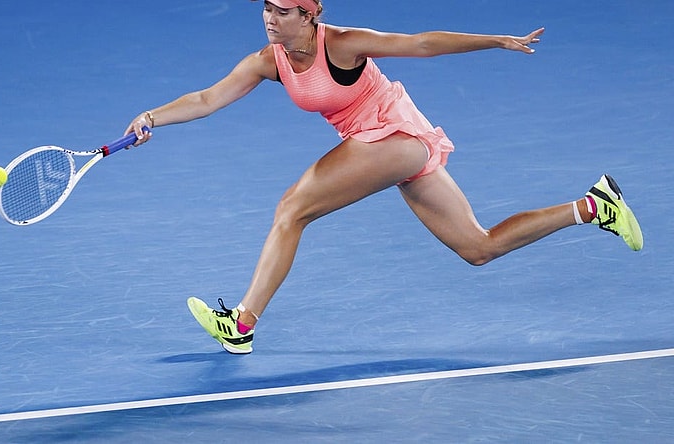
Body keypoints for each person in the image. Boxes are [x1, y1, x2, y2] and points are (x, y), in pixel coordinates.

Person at [124, 0, 643, 354]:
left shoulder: (344, 44)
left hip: (393, 137)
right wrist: (152, 116)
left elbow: (419, 44)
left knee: (292, 208)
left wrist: (495, 42)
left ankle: (241, 325)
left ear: (309, 15)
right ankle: (594, 206)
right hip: (392, 148)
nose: (270, 18)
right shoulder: (269, 61)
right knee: (478, 247)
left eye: (282, 11)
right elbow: (208, 99)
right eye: (267, 7)